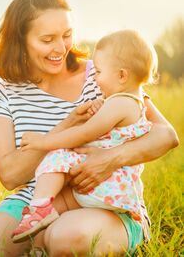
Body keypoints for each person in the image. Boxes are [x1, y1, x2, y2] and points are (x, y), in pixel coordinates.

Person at [0, 0, 178, 256]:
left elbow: (165, 134)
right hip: (35, 203)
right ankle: (40, 238)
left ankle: (53, 242)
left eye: (67, 35)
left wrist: (111, 158)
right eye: (47, 39)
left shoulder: (104, 73)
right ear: (20, 40)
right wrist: (67, 125)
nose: (61, 48)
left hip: (103, 201)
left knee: (67, 237)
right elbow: (11, 175)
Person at [11, 29, 158, 246]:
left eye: (98, 72)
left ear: (122, 75)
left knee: (57, 156)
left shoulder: (120, 103)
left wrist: (43, 142)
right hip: (106, 187)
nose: (95, 78)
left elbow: (85, 133)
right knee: (51, 222)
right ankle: (39, 238)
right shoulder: (124, 102)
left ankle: (40, 207)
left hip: (106, 185)